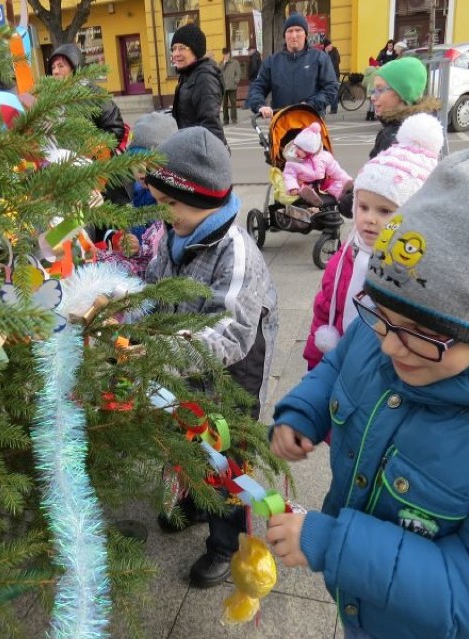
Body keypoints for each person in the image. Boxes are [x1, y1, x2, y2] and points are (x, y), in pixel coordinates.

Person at [266, 144, 469, 639]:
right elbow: (342, 361)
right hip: (370, 606)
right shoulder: (393, 324)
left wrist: (335, 544)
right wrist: (306, 409)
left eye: (419, 337)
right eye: (378, 315)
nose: (388, 346)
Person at [144, 126, 278, 589]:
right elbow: (155, 286)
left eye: (170, 204)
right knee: (189, 441)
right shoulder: (173, 235)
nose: (163, 214)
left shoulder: (235, 252)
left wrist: (163, 351)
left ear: (207, 201)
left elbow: (230, 331)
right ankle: (195, 502)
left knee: (227, 460)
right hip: (182, 368)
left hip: (231, 378)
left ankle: (225, 543)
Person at [303, 113, 443, 370]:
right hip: (341, 361)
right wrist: (315, 364)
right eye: (363, 207)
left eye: (385, 211)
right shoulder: (345, 257)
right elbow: (324, 312)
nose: (369, 219)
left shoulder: (417, 273)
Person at [94, 112, 177, 276]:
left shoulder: (176, 200)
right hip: (129, 268)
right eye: (136, 166)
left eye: (150, 166)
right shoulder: (121, 186)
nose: (141, 174)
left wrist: (143, 249)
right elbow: (102, 224)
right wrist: (115, 238)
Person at [245, 13, 338, 119]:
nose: (294, 35)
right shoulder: (272, 61)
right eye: (290, 31)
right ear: (285, 35)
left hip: (311, 124)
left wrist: (310, 105)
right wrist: (260, 106)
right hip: (281, 124)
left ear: (305, 34)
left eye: (298, 30)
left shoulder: (319, 58)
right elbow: (257, 87)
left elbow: (331, 88)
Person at [49, 43, 127, 147]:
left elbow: (115, 129)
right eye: (53, 67)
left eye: (61, 66)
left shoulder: (93, 95)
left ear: (75, 67)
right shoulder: (51, 97)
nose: (55, 72)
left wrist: (94, 149)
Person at [368, 56, 439, 158]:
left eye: (380, 90)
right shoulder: (424, 129)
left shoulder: (392, 140)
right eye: (373, 90)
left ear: (402, 94)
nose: (373, 97)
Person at [169, 24, 227, 145]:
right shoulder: (187, 75)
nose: (176, 54)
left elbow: (210, 125)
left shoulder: (204, 78)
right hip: (190, 148)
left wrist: (206, 159)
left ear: (195, 51)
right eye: (174, 48)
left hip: (200, 154)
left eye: (181, 48)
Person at [282, 122, 352, 204]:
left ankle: (343, 194)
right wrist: (292, 187)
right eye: (296, 147)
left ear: (309, 152)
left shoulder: (324, 157)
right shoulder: (293, 161)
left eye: (300, 149)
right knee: (302, 187)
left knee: (333, 184)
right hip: (303, 182)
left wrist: (346, 179)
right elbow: (289, 175)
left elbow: (336, 171)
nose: (296, 150)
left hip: (321, 182)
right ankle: (311, 197)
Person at [366, 39, 399, 121]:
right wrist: (382, 64)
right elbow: (377, 61)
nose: (390, 47)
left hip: (392, 72)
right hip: (384, 71)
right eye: (389, 45)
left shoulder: (395, 54)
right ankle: (375, 113)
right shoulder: (383, 52)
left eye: (391, 46)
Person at [219, 47, 241, 126]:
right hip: (224, 86)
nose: (226, 56)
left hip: (232, 86)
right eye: (225, 54)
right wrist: (224, 64)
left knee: (233, 103)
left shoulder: (235, 62)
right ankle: (225, 120)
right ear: (223, 55)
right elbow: (219, 72)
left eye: (227, 54)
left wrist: (236, 81)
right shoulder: (221, 63)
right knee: (224, 104)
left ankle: (234, 119)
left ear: (229, 54)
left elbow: (238, 73)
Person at [321, 37, 340, 115]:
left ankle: (334, 108)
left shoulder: (335, 51)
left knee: (334, 91)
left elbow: (337, 61)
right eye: (329, 45)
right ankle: (323, 109)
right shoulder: (323, 53)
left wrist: (329, 64)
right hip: (325, 75)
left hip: (334, 74)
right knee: (324, 91)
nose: (331, 46)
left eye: (331, 44)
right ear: (326, 46)